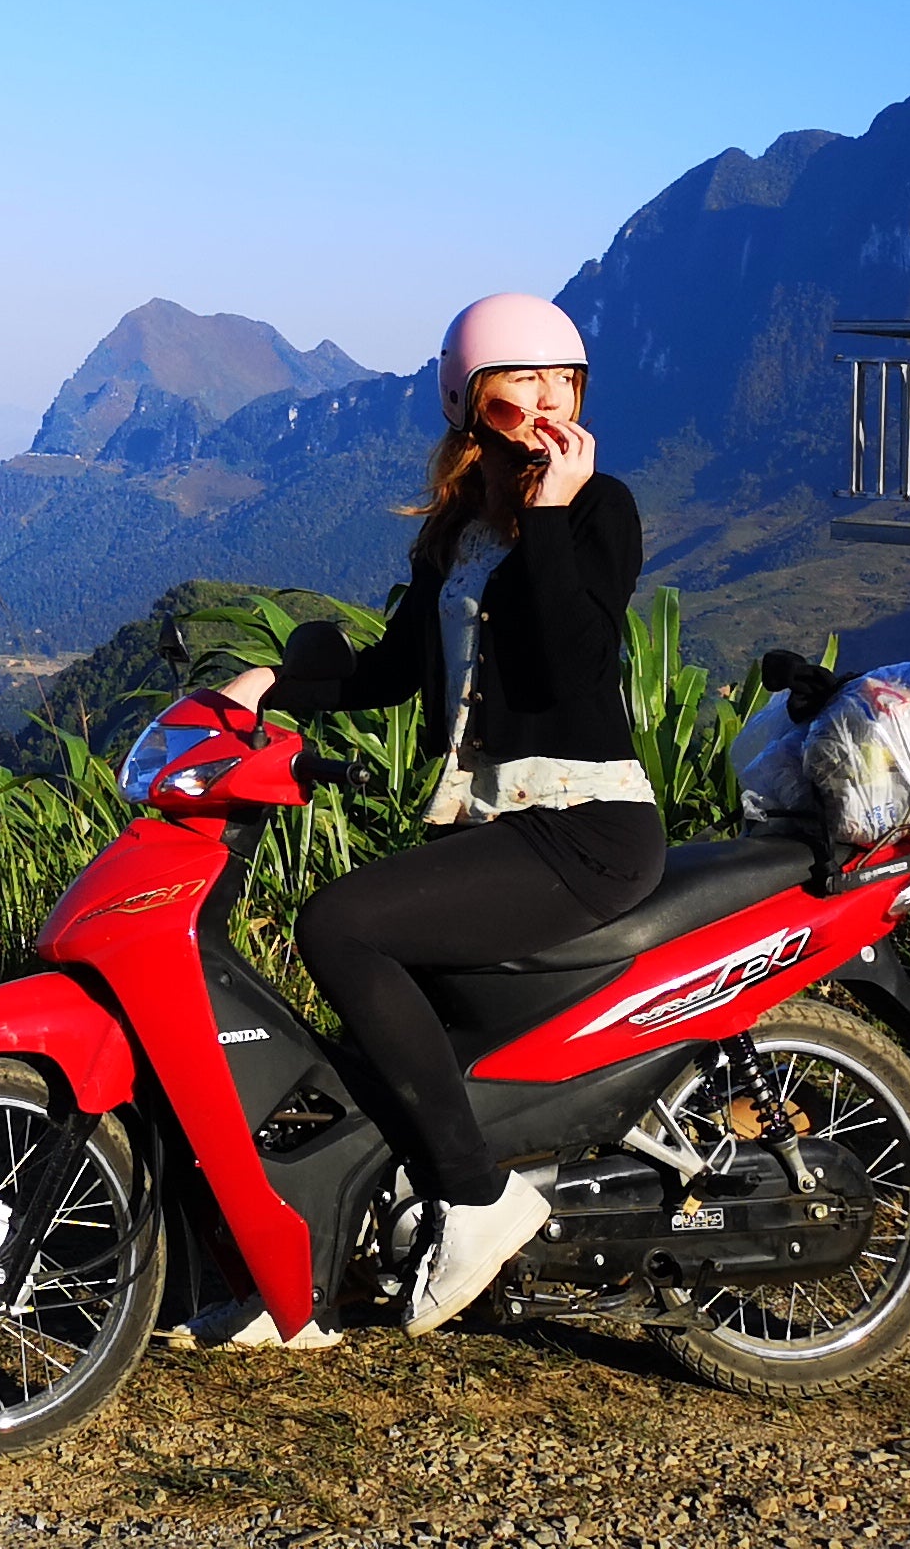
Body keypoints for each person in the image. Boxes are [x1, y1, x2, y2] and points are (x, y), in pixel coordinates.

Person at [212, 292, 662, 1338]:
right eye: (524, 383)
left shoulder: (603, 510)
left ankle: (477, 1195)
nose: (551, 401)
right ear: (472, 405)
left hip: (583, 830)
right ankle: (307, 1286)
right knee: (370, 1041)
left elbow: (572, 658)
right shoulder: (458, 534)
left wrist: (552, 511)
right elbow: (388, 673)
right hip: (495, 832)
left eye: (568, 382)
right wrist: (267, 685)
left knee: (339, 924)